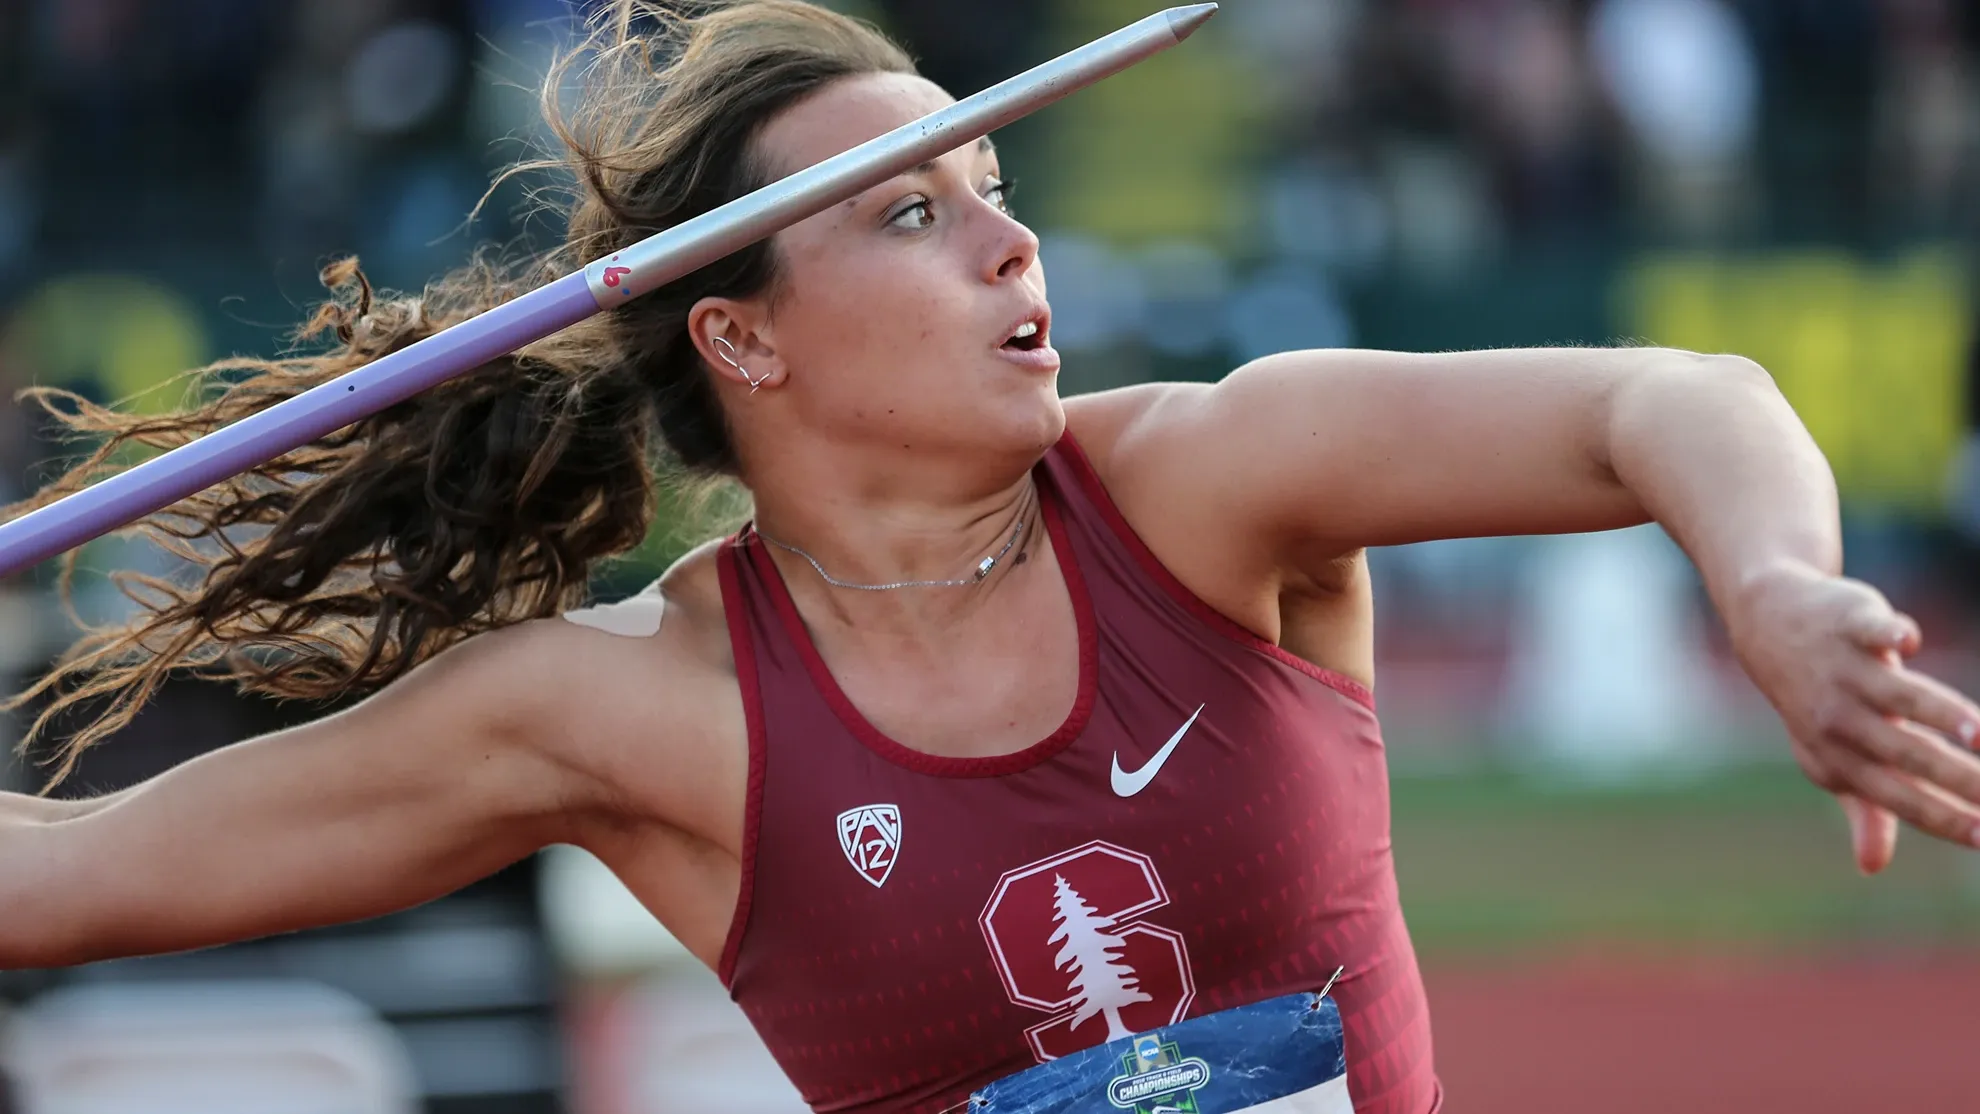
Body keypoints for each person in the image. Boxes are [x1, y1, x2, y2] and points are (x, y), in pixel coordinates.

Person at [3, 3, 1979, 1112]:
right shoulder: (636, 714)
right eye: (912, 217)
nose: (1012, 246)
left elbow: (1676, 398)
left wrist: (1779, 585)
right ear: (743, 334)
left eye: (999, 191)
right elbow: (68, 878)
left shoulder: (1206, 492)